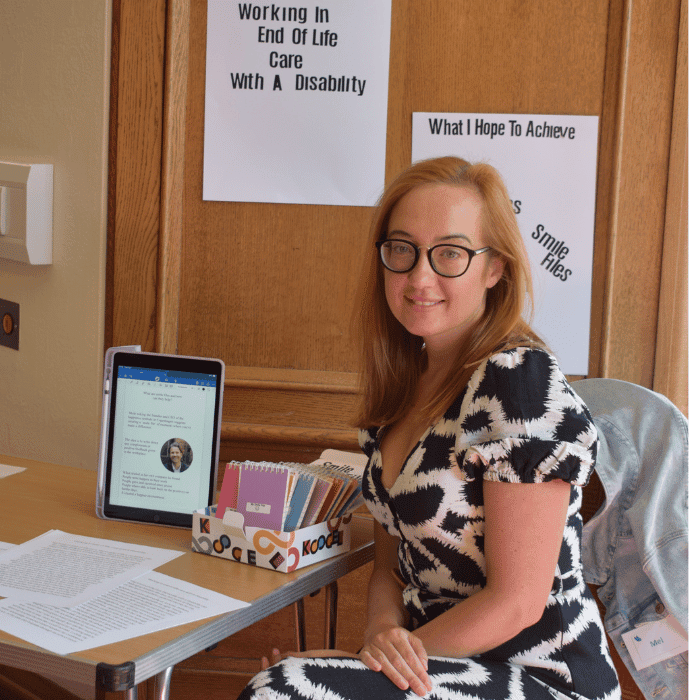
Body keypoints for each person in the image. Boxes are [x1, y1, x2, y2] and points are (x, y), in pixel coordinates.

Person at [237, 157, 621, 699]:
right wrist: (378, 636)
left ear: (495, 269)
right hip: (435, 667)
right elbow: (391, 568)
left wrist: (367, 666)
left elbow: (518, 602)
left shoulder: (517, 379)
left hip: (542, 678)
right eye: (402, 250)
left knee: (284, 690)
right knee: (285, 685)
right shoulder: (399, 392)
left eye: (450, 254)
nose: (419, 276)